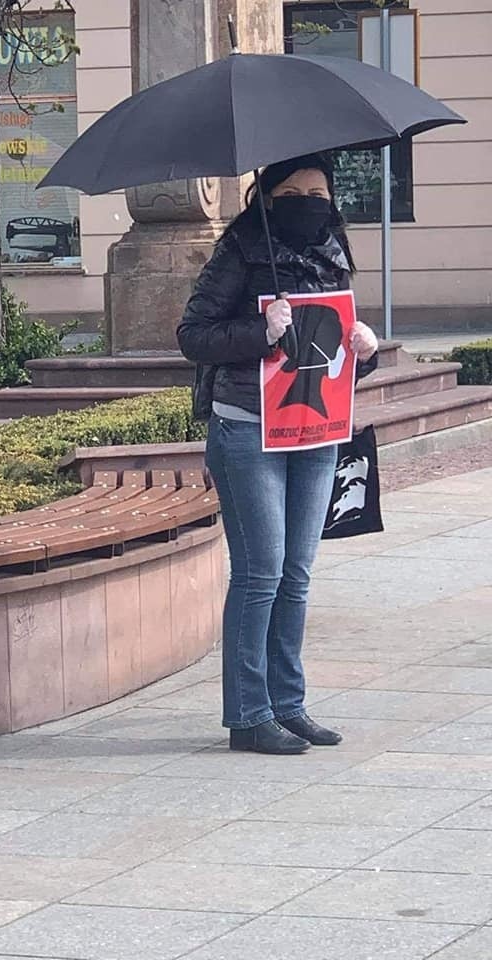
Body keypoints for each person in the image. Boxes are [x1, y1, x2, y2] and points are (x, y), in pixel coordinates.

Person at [177, 153, 379, 756]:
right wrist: (259, 331)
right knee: (261, 574)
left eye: (318, 190)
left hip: (315, 430)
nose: (309, 200)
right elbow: (193, 337)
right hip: (247, 430)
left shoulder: (334, 252)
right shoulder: (238, 251)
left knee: (296, 575)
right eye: (293, 191)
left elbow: (332, 354)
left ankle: (288, 704)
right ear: (266, 197)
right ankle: (248, 713)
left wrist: (363, 352)